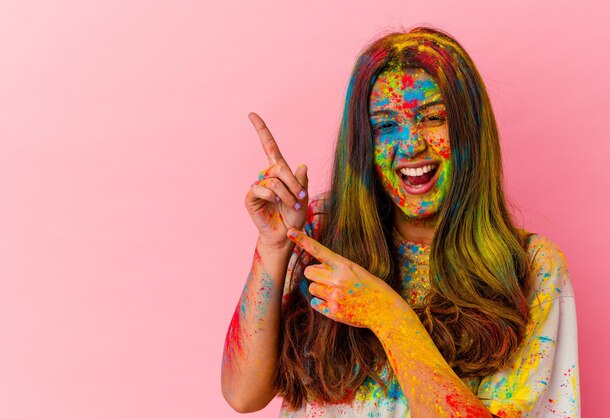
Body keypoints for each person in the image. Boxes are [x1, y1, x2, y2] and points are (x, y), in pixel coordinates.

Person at [221, 27, 580, 417]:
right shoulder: (319, 238)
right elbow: (242, 395)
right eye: (386, 124)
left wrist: (389, 316)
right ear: (364, 143)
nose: (410, 144)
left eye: (432, 118)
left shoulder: (531, 267)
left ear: (471, 132)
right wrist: (274, 245)